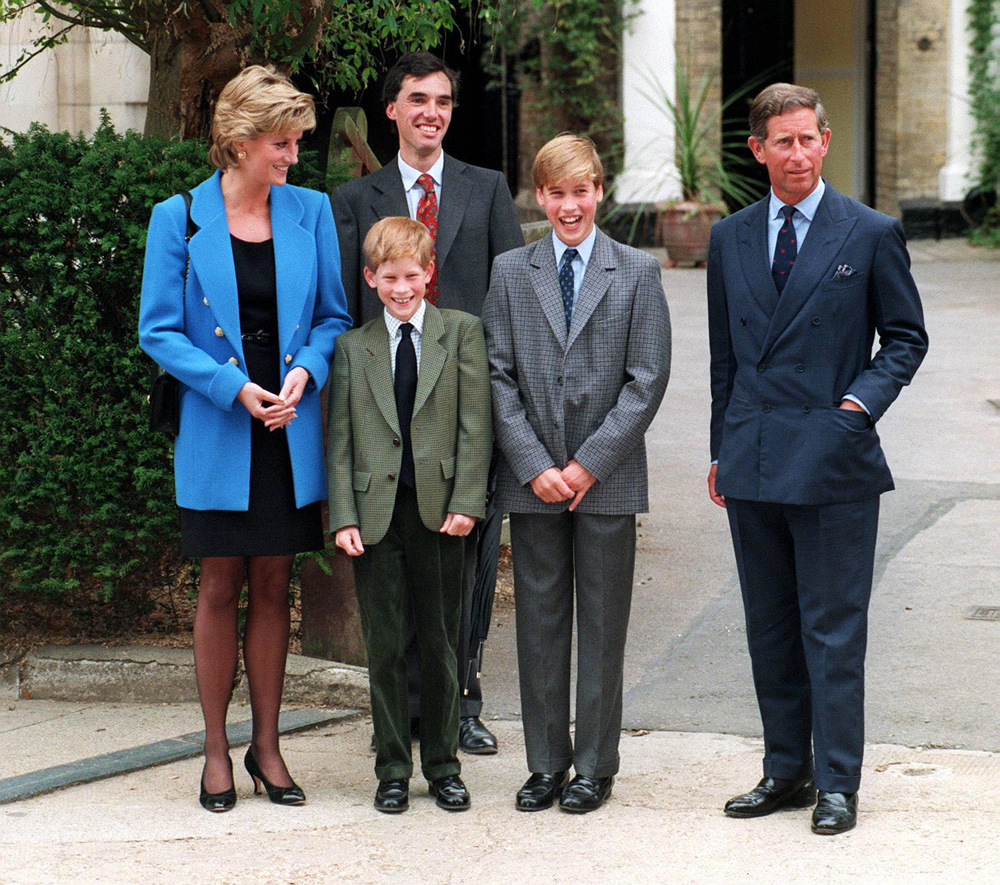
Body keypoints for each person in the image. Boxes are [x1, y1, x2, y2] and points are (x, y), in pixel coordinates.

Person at [707, 83, 928, 835]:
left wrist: (855, 409)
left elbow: (904, 338)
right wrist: (720, 448)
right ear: (757, 149)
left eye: (809, 139)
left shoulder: (868, 232)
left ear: (825, 141)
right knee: (768, 623)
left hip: (833, 459)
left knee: (831, 627)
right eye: (783, 142)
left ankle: (837, 778)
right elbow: (725, 358)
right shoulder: (729, 236)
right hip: (755, 453)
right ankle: (784, 770)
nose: (797, 154)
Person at [139, 65, 352, 813]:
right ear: (237, 142)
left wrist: (308, 374)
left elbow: (333, 316)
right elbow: (157, 329)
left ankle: (268, 746)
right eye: (281, 144)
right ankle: (215, 750)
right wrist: (234, 387)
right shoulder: (179, 218)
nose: (293, 157)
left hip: (289, 425)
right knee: (219, 583)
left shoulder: (313, 211)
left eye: (296, 142)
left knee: (274, 583)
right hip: (219, 421)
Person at [332, 51, 524, 755]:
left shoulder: (487, 188)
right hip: (388, 411)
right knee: (396, 562)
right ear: (392, 110)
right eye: (417, 100)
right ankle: (408, 709)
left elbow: (511, 301)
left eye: (442, 101)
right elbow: (348, 311)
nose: (431, 113)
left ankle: (460, 701)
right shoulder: (354, 201)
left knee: (466, 568)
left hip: (467, 415)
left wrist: (507, 411)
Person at [482, 134, 671, 814]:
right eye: (556, 193)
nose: (569, 205)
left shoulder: (637, 271)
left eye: (581, 191)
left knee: (601, 623)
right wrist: (534, 465)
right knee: (538, 621)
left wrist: (589, 462)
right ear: (539, 196)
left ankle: (594, 764)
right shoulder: (511, 272)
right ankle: (544, 763)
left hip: (607, 478)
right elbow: (497, 375)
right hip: (533, 482)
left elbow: (646, 379)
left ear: (600, 191)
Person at [327, 216, 492, 814]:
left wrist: (468, 502)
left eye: (412, 276)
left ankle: (444, 764)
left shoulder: (462, 334)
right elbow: (339, 439)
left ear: (431, 274)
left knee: (444, 643)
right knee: (386, 646)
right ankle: (392, 766)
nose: (402, 288)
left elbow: (477, 426)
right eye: (390, 277)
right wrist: (342, 515)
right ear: (372, 278)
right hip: (375, 519)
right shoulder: (353, 347)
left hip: (440, 513)